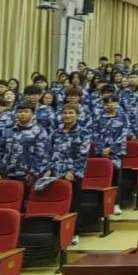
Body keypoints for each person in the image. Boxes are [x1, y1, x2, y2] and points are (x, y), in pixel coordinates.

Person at [41, 103, 92, 244]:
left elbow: (83, 155)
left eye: (71, 113)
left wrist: (73, 172)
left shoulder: (84, 133)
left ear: (77, 115)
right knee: (55, 204)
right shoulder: (55, 132)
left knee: (74, 204)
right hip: (55, 173)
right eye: (65, 113)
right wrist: (48, 169)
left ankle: (75, 232)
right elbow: (48, 152)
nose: (67, 116)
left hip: (73, 175)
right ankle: (56, 232)